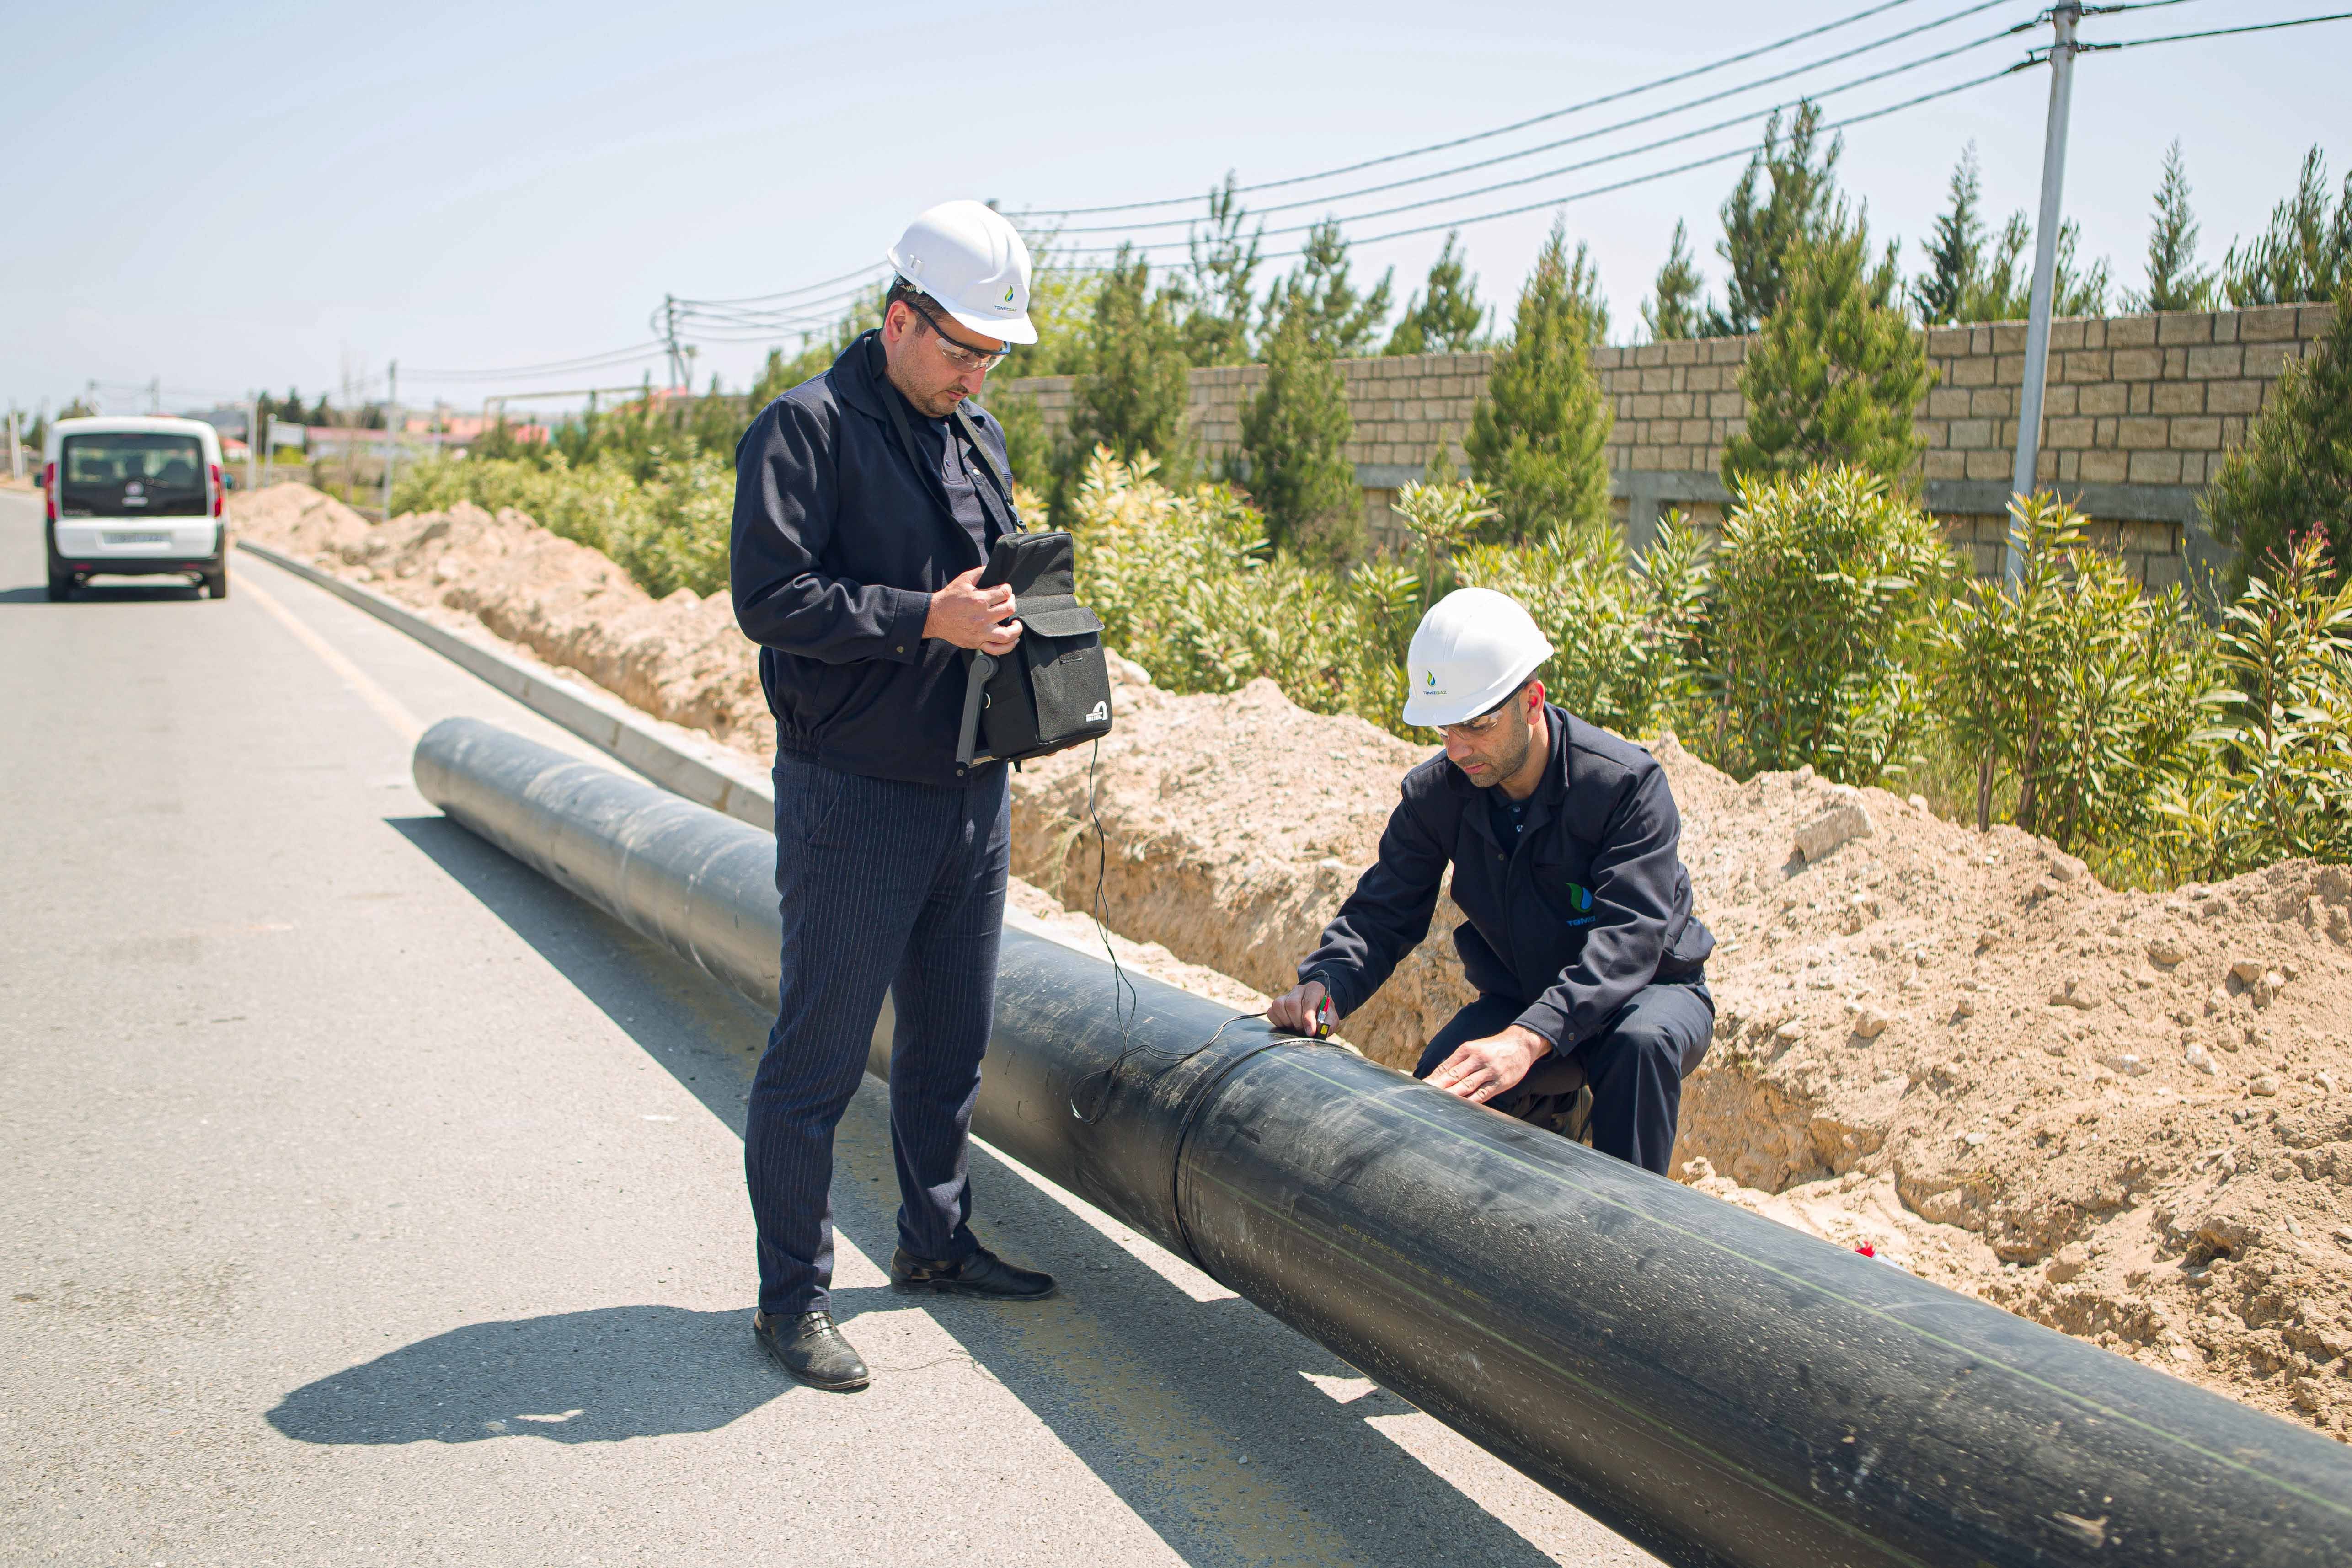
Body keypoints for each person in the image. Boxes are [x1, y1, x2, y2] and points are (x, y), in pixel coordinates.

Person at [729, 200, 1056, 1392]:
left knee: (949, 1042)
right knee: (818, 1056)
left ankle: (935, 1240)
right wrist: (926, 616)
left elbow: (990, 579)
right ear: (898, 318)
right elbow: (773, 599)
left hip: (971, 789)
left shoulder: (977, 435)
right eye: (962, 348)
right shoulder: (804, 432)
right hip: (856, 794)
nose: (978, 372)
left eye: (992, 356)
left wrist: (1027, 626)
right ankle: (790, 1298)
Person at [1267, 588, 1716, 1176]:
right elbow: (1382, 912)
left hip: (1646, 993)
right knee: (1436, 1098)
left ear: (1532, 702)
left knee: (1639, 1047)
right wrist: (1324, 986)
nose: (1457, 749)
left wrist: (1529, 1039)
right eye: (1443, 729)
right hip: (1522, 995)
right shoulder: (1438, 795)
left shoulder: (1623, 786)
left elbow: (1629, 938)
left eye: (1475, 726)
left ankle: (1626, 1238)